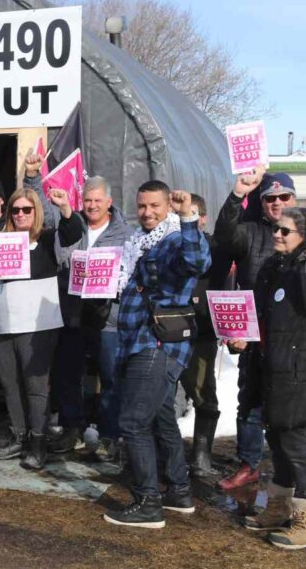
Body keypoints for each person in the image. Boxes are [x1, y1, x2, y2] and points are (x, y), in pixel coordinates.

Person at [103, 182, 210, 528]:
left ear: (167, 206)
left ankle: (148, 501)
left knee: (133, 422)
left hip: (157, 344)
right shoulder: (136, 244)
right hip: (138, 342)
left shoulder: (174, 239)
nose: (147, 213)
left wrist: (188, 216)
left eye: (154, 206)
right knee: (162, 418)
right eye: (142, 206)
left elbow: (198, 262)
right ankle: (178, 490)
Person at [0, 187, 82, 470]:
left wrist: (65, 208)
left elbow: (73, 232)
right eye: (16, 210)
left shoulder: (49, 238)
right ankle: (18, 434)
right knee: (9, 382)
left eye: (27, 209)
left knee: (35, 384)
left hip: (37, 324)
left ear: (36, 211)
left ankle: (38, 440)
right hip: (5, 321)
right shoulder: (1, 241)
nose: (21, 215)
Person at [213, 168, 297, 490]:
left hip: (292, 341)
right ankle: (249, 464)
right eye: (269, 198)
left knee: (289, 410)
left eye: (283, 197)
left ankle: (290, 476)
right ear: (261, 203)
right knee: (248, 402)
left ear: (293, 198)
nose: (277, 203)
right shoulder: (248, 232)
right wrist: (237, 195)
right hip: (254, 335)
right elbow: (223, 234)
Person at [46, 176, 134, 460]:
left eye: (98, 200)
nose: (92, 206)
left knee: (110, 376)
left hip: (108, 315)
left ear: (110, 202)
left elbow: (130, 271)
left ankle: (109, 434)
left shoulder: (126, 233)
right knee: (68, 374)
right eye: (87, 200)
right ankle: (72, 428)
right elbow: (61, 257)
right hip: (73, 312)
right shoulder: (72, 224)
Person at [239, 207, 306, 549]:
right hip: (271, 369)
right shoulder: (273, 267)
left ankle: (304, 520)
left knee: (299, 448)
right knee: (278, 443)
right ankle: (279, 508)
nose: (277, 235)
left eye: (285, 231)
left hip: (299, 374)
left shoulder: (303, 268)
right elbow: (259, 314)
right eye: (276, 230)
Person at [179, 194, 231, 477]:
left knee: (202, 392)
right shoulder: (171, 244)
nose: (190, 217)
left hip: (201, 332)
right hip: (169, 328)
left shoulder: (215, 248)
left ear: (204, 217)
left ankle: (201, 454)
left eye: (195, 212)